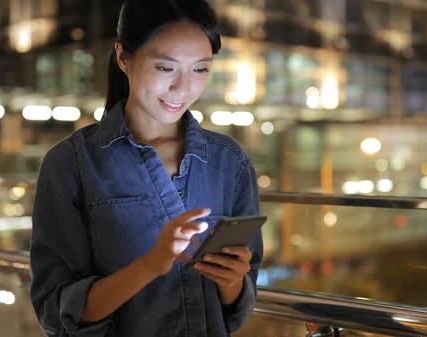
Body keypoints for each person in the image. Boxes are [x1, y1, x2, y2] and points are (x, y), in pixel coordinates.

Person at [29, 0, 264, 336]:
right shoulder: (71, 163)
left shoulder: (229, 161)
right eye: (166, 68)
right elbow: (56, 312)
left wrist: (232, 282)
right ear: (124, 57)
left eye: (200, 69)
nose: (182, 89)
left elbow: (238, 304)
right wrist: (150, 265)